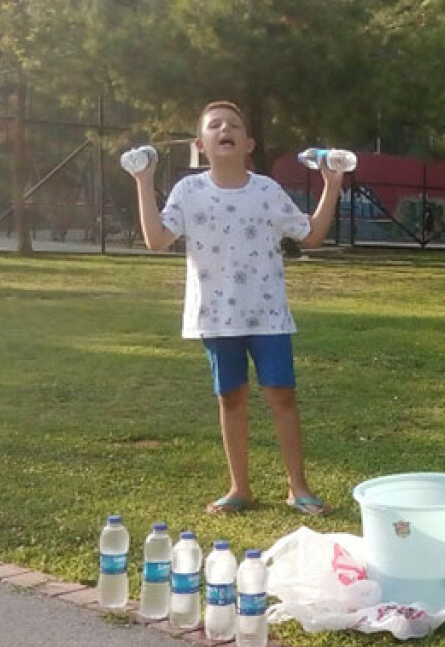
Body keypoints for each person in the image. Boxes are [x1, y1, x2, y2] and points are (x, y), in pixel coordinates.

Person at [130, 100, 343, 516]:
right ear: (200, 143)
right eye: (214, 125)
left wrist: (331, 185)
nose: (224, 128)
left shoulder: (266, 190)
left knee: (282, 395)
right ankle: (239, 489)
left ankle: (298, 488)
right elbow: (157, 239)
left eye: (233, 125)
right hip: (216, 317)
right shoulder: (188, 192)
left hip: (268, 316)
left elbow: (312, 235)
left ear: (248, 143)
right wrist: (143, 180)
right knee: (231, 399)